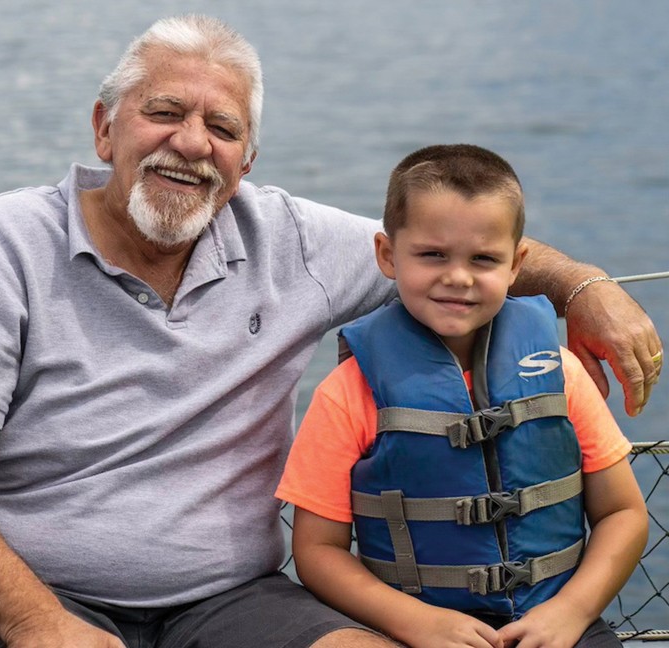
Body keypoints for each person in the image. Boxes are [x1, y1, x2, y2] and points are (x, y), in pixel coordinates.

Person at [0, 14, 661, 648]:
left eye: (222, 126)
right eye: (164, 112)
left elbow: (457, 255)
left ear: (247, 161)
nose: (191, 143)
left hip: (232, 600)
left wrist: (585, 288)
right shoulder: (4, 241)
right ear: (105, 129)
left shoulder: (288, 237)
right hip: (16, 595)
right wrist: (38, 624)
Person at [276, 144, 650, 648]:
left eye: (484, 259)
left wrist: (571, 611)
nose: (458, 277)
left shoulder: (558, 373)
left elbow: (623, 515)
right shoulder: (347, 394)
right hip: (412, 631)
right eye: (432, 255)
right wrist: (416, 622)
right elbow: (318, 551)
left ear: (516, 264)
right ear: (387, 255)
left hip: (560, 623)